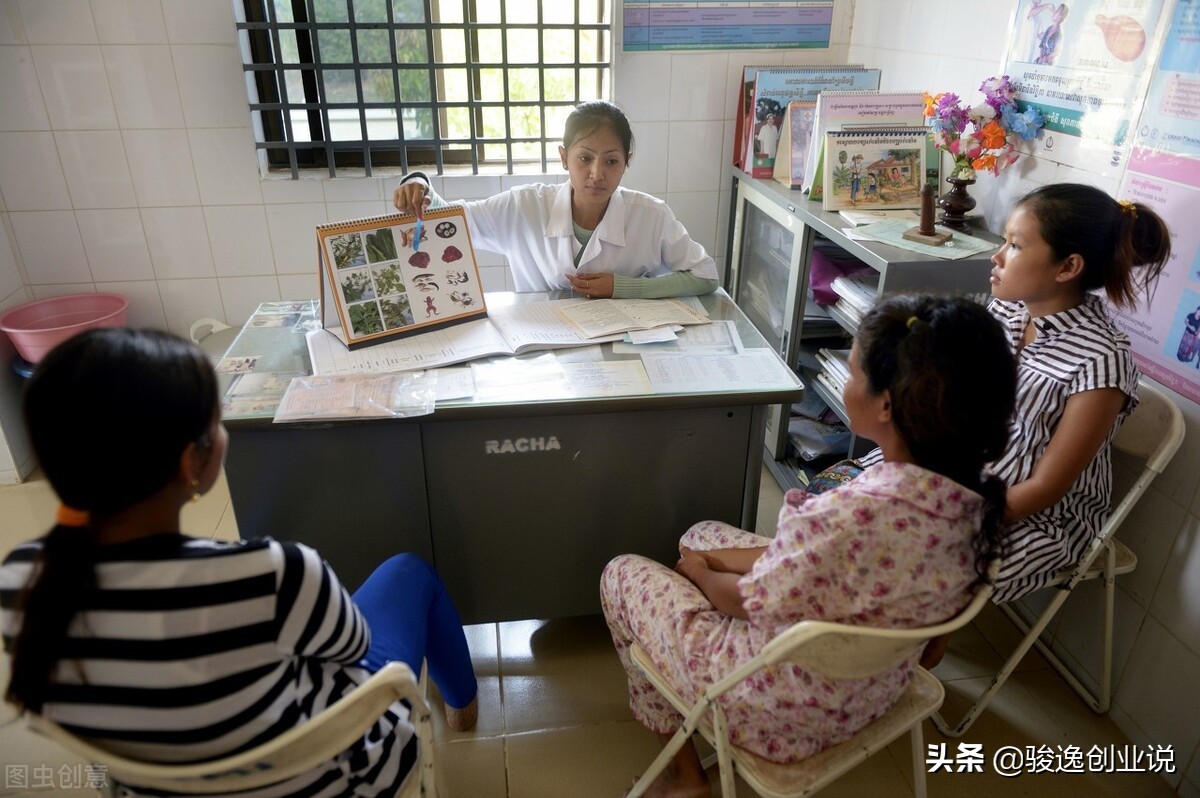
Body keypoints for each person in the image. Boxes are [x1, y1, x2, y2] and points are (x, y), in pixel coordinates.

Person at [0, 329, 479, 798]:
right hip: (344, 779)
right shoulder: (273, 574)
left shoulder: (21, 584)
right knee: (409, 571)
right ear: (192, 463)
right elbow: (351, 648)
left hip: (157, 786)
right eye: (216, 422)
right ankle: (462, 704)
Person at [602, 294, 1017, 798]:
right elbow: (810, 563)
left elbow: (739, 600)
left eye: (854, 370)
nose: (846, 382)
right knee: (701, 533)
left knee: (621, 574)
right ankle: (702, 568)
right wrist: (707, 558)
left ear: (887, 403)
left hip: (777, 706)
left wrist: (702, 575)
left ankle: (685, 777)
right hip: (878, 686)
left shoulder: (850, 514)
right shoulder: (973, 502)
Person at [848, 184, 1170, 607]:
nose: (996, 258)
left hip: (1034, 517)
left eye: (1014, 246)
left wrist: (940, 515)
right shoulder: (1007, 312)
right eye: (1003, 241)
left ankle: (912, 647)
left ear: (1068, 267)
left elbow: (1046, 488)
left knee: (893, 572)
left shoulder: (1101, 362)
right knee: (837, 504)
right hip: (960, 474)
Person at [392, 100, 718, 301]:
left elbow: (705, 277)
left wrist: (625, 287)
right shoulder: (525, 206)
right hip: (540, 354)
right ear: (564, 158)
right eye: (584, 158)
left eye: (611, 161)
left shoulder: (652, 215)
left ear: (627, 161)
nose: (596, 174)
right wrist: (417, 183)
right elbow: (452, 220)